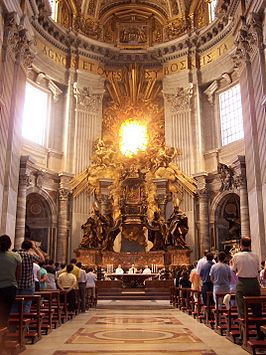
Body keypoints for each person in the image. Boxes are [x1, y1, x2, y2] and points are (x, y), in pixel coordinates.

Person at [231, 237, 264, 343]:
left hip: (242, 283)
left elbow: (233, 270)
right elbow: (258, 269)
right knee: (257, 310)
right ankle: (260, 333)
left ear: (241, 244)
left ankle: (243, 336)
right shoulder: (255, 256)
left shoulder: (236, 256)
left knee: (241, 310)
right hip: (254, 283)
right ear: (250, 244)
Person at [16, 239, 45, 312]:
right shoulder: (29, 256)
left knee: (14, 304)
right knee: (26, 304)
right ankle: (24, 322)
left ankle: (14, 322)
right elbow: (42, 259)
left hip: (16, 284)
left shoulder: (15, 254)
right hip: (28, 284)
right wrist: (35, 248)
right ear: (30, 247)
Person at [0, 235, 22, 326]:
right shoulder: (16, 256)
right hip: (10, 288)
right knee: (5, 314)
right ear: (10, 245)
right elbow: (18, 274)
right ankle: (3, 335)